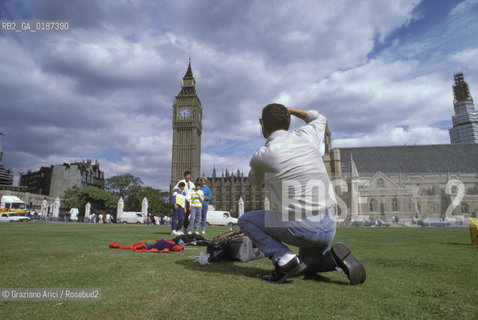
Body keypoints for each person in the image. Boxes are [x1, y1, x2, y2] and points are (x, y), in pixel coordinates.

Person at [238, 104, 366, 284]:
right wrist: (289, 110)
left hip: (302, 229)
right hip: (329, 225)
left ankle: (284, 260)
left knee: (245, 220)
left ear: (262, 125)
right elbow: (319, 118)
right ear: (288, 121)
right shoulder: (307, 136)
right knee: (306, 265)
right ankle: (333, 259)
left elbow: (256, 183)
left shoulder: (262, 156)